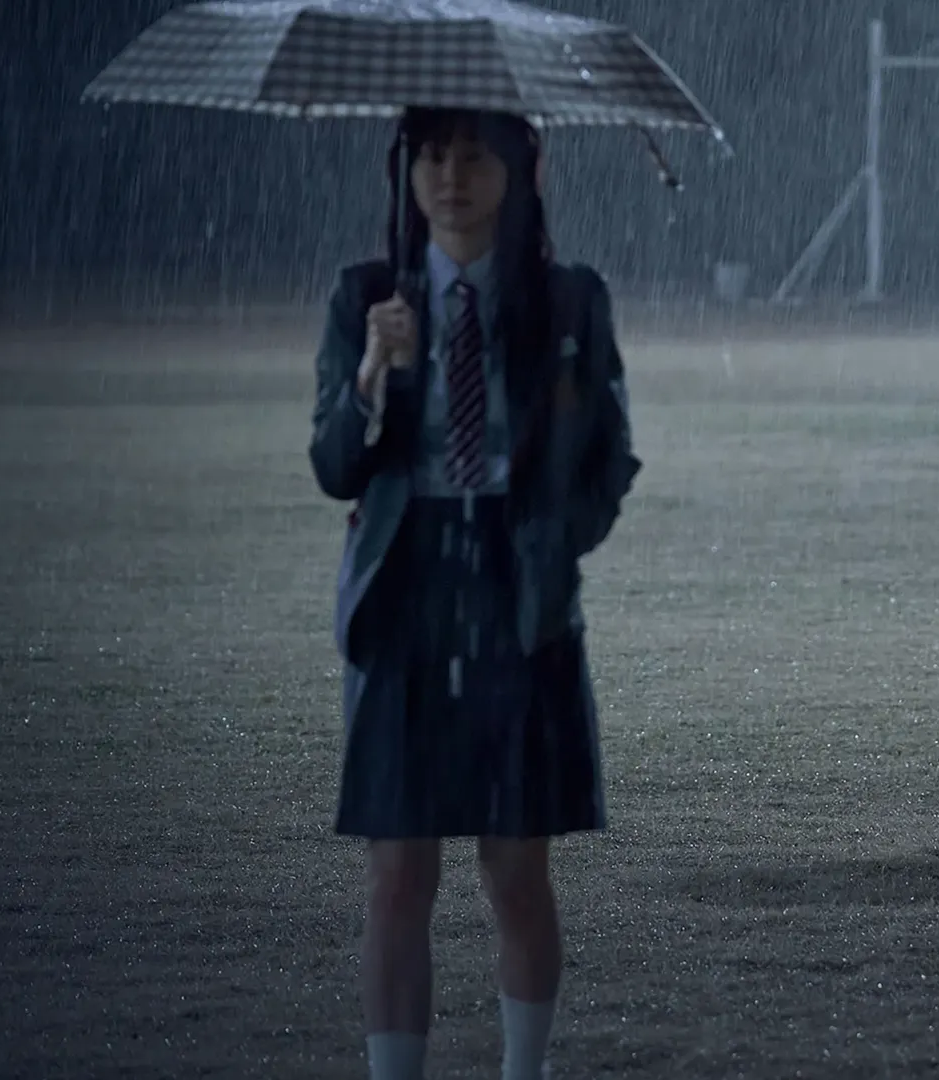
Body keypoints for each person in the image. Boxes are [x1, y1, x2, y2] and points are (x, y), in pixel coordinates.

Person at [307, 107, 641, 1080]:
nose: (449, 178)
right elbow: (333, 466)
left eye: (472, 157)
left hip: (517, 590)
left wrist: (552, 541)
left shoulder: (567, 300)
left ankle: (523, 1070)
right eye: (431, 157)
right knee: (398, 870)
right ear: (406, 172)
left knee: (518, 867)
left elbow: (611, 456)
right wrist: (373, 371)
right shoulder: (367, 296)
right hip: (404, 590)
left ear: (519, 170)